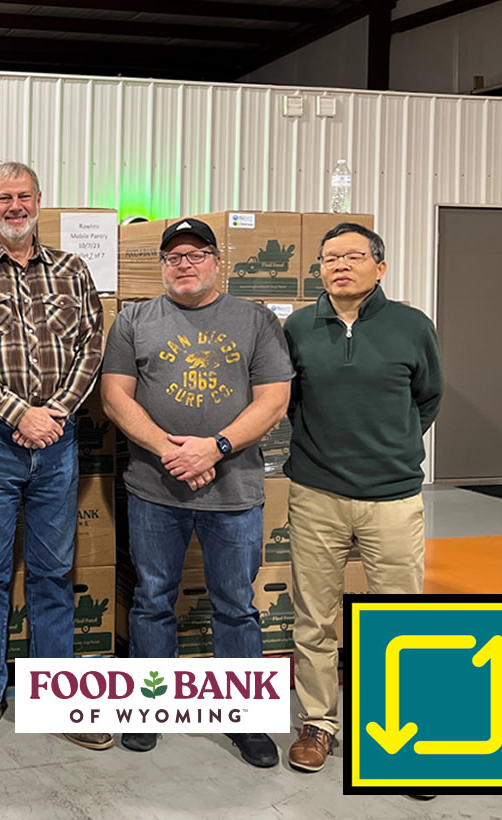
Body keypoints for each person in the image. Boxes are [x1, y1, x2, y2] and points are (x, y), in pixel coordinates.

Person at [100, 216, 291, 767]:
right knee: (153, 599)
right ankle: (147, 708)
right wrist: (172, 451)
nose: (185, 264)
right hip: (154, 488)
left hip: (233, 490)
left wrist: (215, 448)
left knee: (235, 606)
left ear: (216, 262)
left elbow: (273, 400)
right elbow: (115, 398)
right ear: (161, 266)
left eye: (196, 254)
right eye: (173, 257)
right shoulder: (134, 319)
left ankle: (247, 719)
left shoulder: (254, 320)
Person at [0, 161, 106, 751]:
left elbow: (94, 345)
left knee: (54, 573)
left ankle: (58, 699)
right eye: (4, 197)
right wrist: (19, 414)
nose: (15, 206)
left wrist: (54, 412)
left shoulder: (73, 269)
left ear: (40, 201)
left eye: (24, 196)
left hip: (58, 440)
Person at [284, 223, 443, 773]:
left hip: (393, 496)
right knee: (315, 616)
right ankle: (319, 724)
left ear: (380, 266)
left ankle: (401, 731)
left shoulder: (411, 326)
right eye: (329, 258)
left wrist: (391, 448)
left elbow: (428, 398)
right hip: (316, 493)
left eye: (353, 256)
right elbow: (288, 400)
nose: (339, 265)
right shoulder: (299, 327)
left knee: (399, 616)